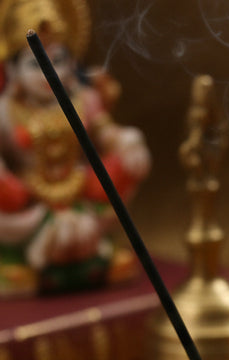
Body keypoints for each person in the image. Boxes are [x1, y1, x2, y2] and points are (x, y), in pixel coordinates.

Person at [0, 0, 150, 294]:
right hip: (29, 199)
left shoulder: (84, 100)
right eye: (34, 64)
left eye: (57, 60)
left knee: (129, 160)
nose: (48, 72)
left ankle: (90, 246)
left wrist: (127, 143)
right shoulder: (6, 111)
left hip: (82, 189)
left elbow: (108, 134)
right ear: (12, 69)